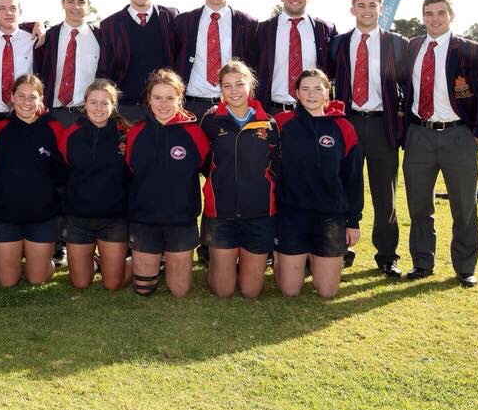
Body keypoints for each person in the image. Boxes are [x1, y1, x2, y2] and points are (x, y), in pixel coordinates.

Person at [402, 0, 478, 287]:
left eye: (440, 13)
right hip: (419, 134)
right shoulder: (413, 47)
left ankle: (465, 266)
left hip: (459, 135)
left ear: (451, 15)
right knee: (418, 205)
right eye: (428, 13)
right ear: (423, 17)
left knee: (464, 205)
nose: (434, 19)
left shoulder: (471, 50)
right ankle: (422, 262)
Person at [331, 0, 409, 277]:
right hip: (348, 122)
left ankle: (387, 255)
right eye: (361, 5)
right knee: (343, 188)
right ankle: (341, 247)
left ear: (381, 9)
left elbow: (408, 85)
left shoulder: (397, 43)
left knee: (384, 194)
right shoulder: (338, 43)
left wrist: (403, 118)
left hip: (381, 124)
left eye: (372, 5)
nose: (366, 10)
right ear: (353, 9)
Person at [272, 69, 363, 299]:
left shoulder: (344, 127)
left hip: (330, 216)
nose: (311, 94)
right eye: (305, 89)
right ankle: (281, 255)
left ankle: (316, 256)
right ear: (297, 94)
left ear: (327, 94)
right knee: (290, 290)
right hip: (291, 215)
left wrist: (353, 221)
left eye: (317, 88)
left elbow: (353, 178)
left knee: (327, 292)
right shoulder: (281, 123)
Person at [125, 69, 209, 297]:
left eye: (170, 98)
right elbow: (130, 168)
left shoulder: (194, 132)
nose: (163, 104)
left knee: (179, 290)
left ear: (180, 98)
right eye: (157, 98)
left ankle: (169, 261)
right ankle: (132, 261)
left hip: (180, 220)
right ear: (149, 100)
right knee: (144, 289)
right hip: (145, 219)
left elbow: (205, 168)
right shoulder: (136, 132)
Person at [199, 61, 278, 298]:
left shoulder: (269, 122)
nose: (234, 91)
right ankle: (219, 267)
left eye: (240, 84)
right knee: (223, 291)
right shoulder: (210, 121)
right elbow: (203, 162)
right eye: (227, 85)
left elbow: (277, 165)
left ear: (250, 85)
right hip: (221, 214)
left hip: (259, 214)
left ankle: (240, 265)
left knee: (250, 292)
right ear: (220, 90)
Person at [0, 74, 65, 287]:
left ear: (41, 99)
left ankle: (46, 261)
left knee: (37, 279)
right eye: (21, 96)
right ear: (11, 97)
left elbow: (62, 169)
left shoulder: (54, 128)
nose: (26, 102)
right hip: (5, 215)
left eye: (32, 97)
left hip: (42, 216)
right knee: (6, 281)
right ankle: (2, 258)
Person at [57, 79, 132, 290]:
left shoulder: (125, 134)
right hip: (79, 220)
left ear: (113, 105)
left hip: (114, 219)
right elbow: (62, 173)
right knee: (80, 283)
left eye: (104, 103)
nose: (99, 108)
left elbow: (133, 174)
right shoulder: (70, 135)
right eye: (93, 102)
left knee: (113, 284)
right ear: (85, 104)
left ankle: (140, 261)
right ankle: (99, 260)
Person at [174, 0, 258, 122]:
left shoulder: (248, 24)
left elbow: (253, 65)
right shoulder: (184, 21)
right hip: (191, 106)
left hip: (232, 105)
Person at [98, 0, 179, 123]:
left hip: (165, 105)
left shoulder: (170, 17)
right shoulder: (111, 24)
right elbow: (105, 68)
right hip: (127, 107)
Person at [254, 0, 337, 115]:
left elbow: (334, 70)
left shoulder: (325, 30)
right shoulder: (262, 30)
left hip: (312, 113)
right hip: (272, 112)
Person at [33, 0, 101, 128]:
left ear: (88, 5)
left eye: (81, 2)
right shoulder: (48, 36)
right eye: (70, 1)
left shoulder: (101, 37)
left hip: (88, 115)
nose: (76, 7)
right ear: (62, 3)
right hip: (52, 114)